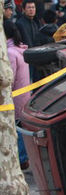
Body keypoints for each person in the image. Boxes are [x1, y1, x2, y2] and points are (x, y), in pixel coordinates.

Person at [5, 19, 30, 169]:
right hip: (24, 95)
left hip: (15, 97)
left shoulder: (9, 53)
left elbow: (9, 78)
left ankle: (21, 159)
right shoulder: (20, 49)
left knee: (16, 129)